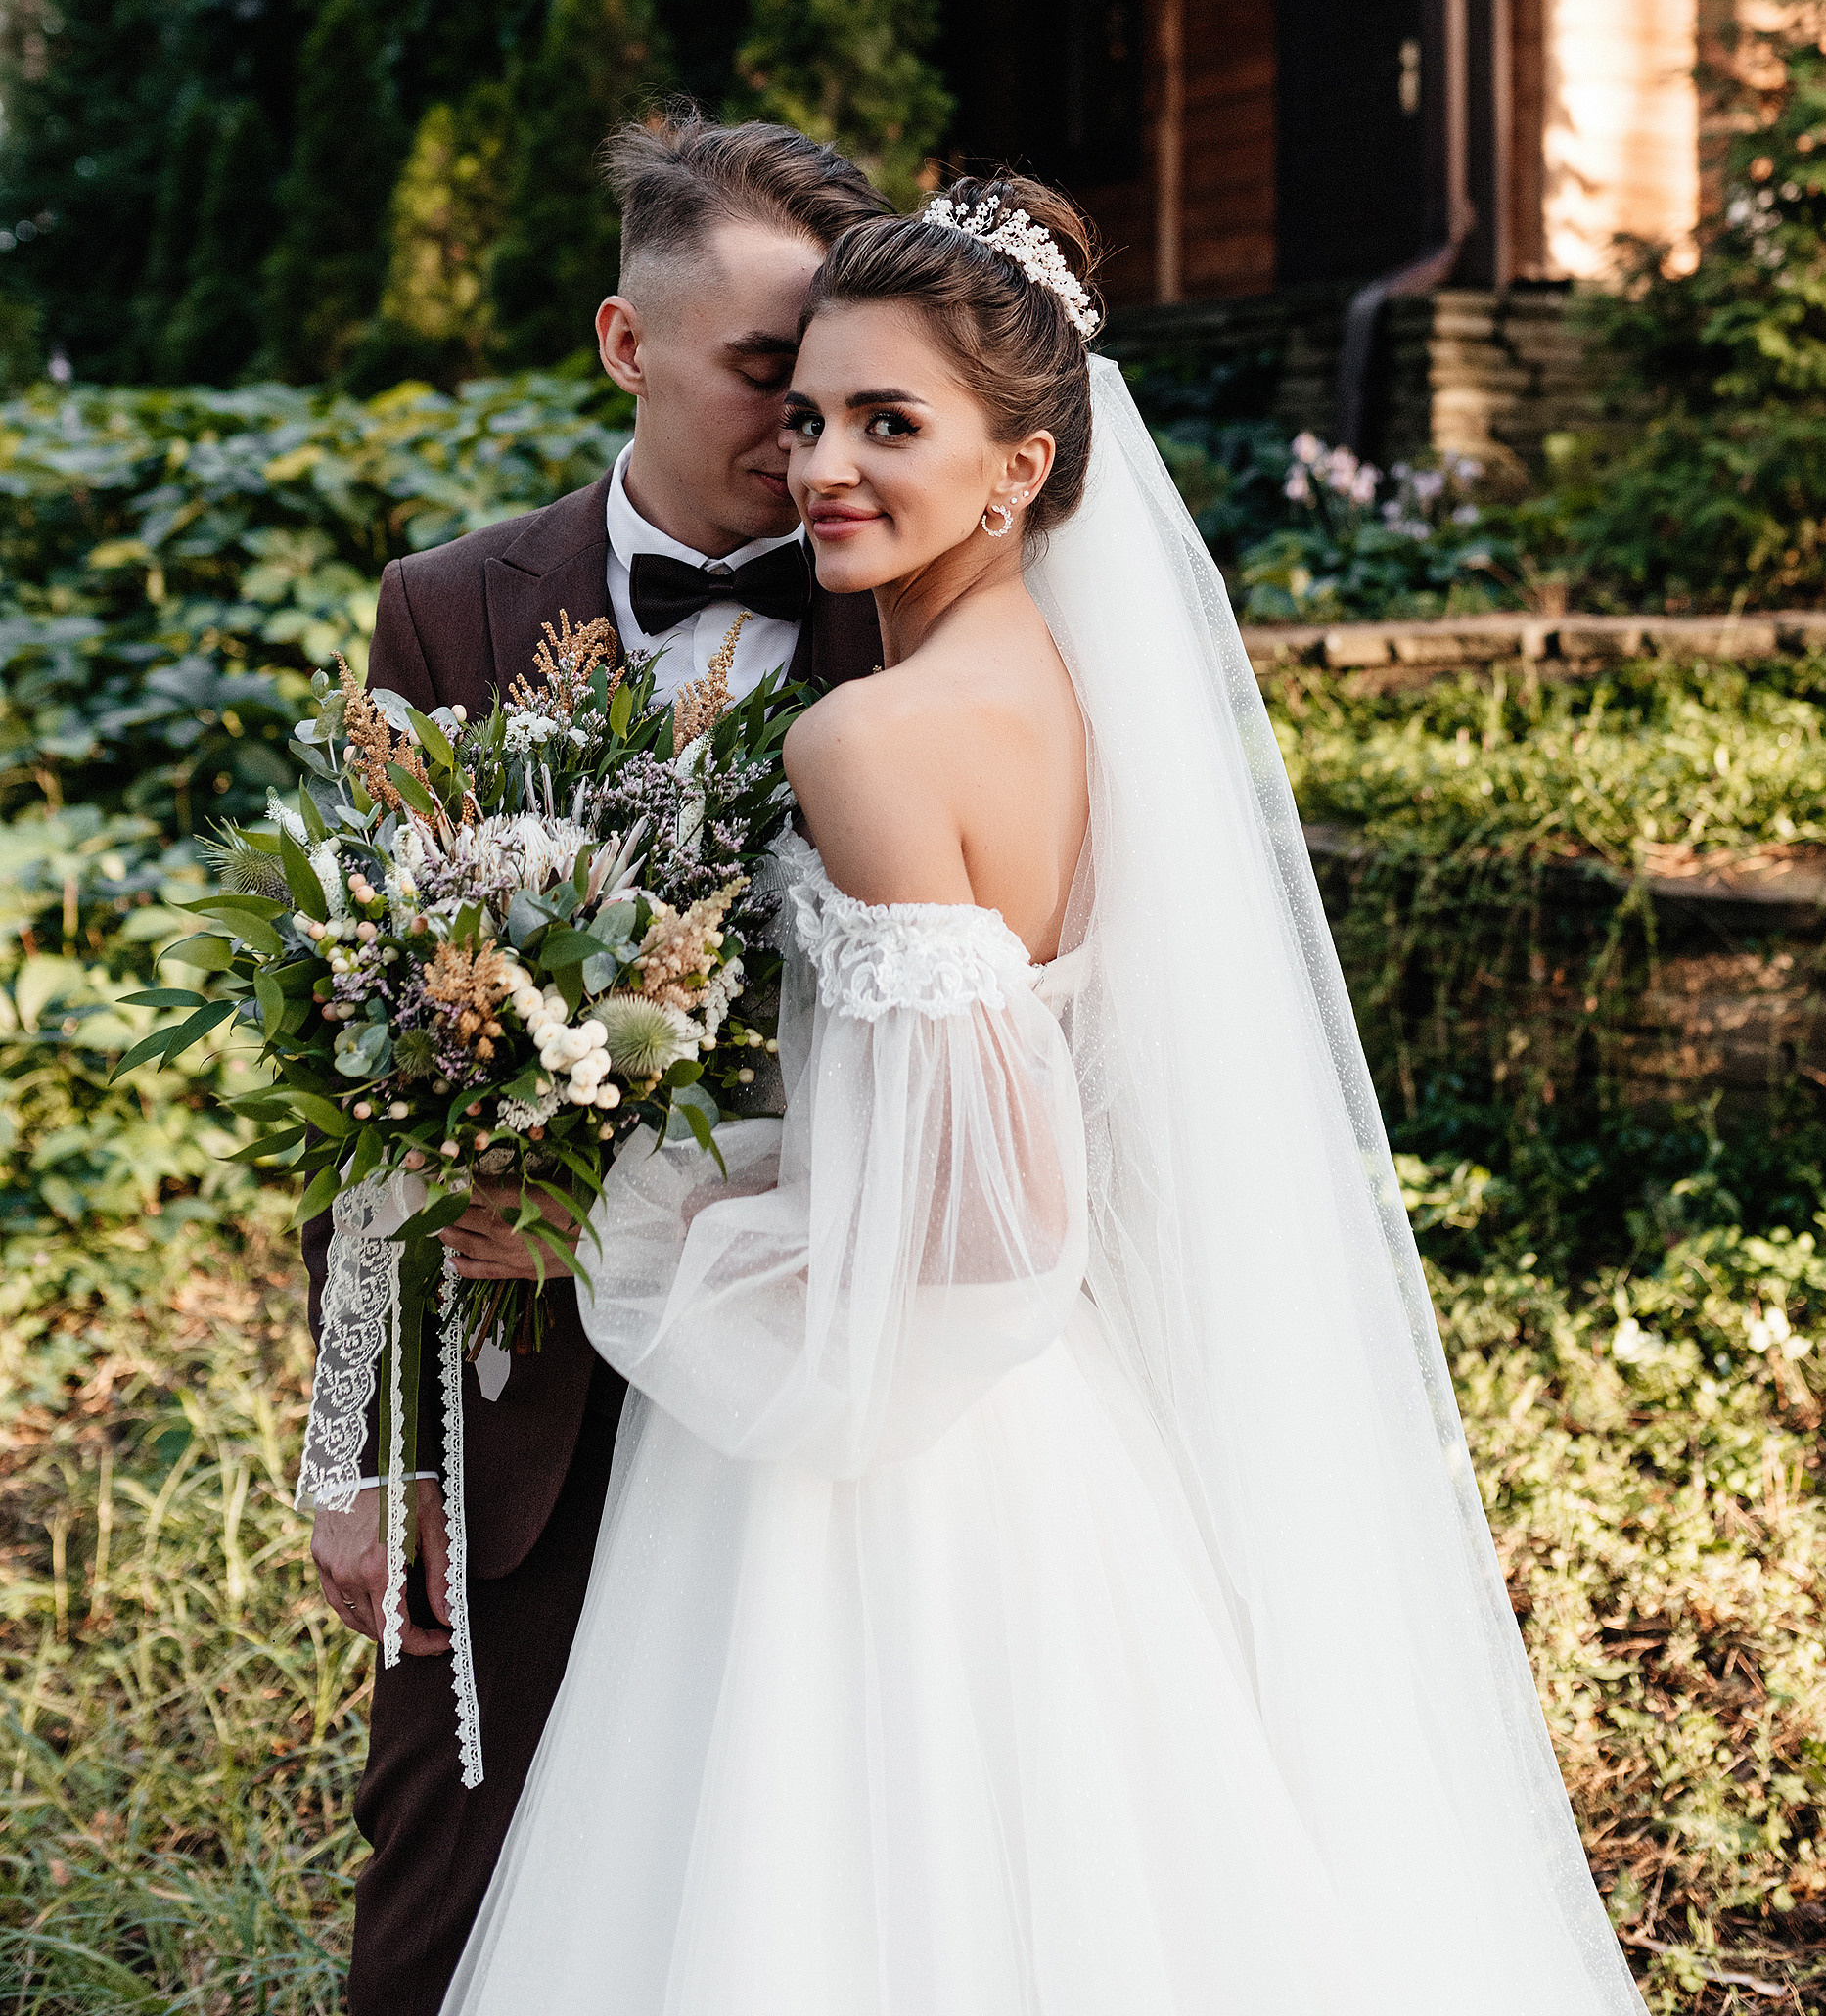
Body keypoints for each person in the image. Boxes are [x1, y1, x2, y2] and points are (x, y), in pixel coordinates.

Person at [436, 172, 1648, 2014]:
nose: (822, 462)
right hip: (1051, 1416)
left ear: (1017, 469)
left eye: (887, 424)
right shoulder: (1069, 686)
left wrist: (616, 1208)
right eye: (813, 410)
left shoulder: (868, 736)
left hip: (899, 1452)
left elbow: (993, 1222)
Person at [303, 109, 889, 2016]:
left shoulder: (912, 632)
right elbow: (370, 1065)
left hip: (803, 1406)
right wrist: (352, 1449)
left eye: (834, 390)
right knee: (441, 1909)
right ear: (624, 348)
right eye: (762, 379)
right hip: (506, 1414)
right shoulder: (448, 610)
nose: (807, 437)